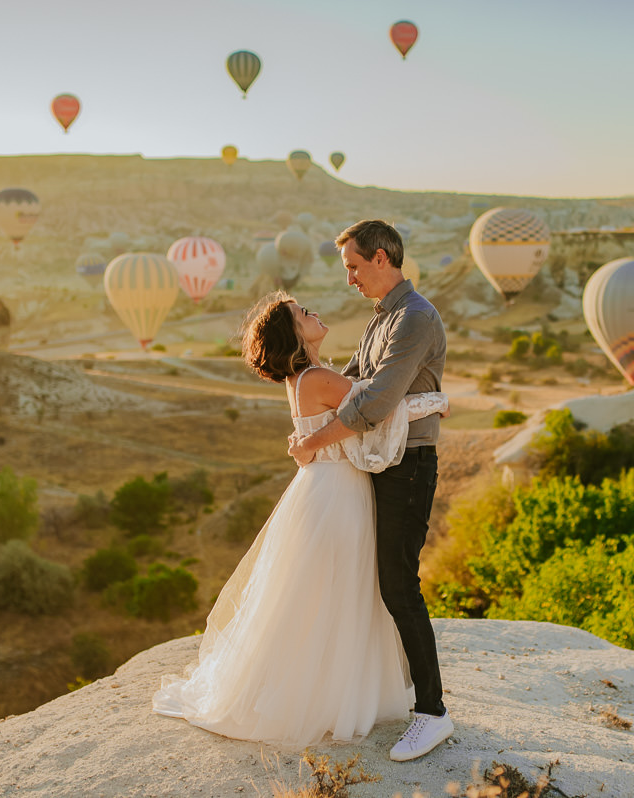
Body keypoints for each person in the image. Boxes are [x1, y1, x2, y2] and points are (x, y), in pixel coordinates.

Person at [152, 291, 448, 750]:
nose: (314, 313)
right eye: (302, 314)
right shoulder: (318, 377)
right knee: (342, 591)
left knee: (320, 595)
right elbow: (379, 410)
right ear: (294, 334)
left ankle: (325, 691)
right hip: (338, 495)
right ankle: (336, 696)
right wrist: (434, 402)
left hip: (324, 490)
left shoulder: (306, 378)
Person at [288, 219, 451, 762]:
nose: (350, 279)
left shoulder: (416, 318)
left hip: (409, 465)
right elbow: (350, 385)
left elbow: (373, 402)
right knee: (379, 585)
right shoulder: (381, 320)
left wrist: (315, 442)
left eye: (354, 267)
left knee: (399, 585)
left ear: (382, 258)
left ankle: (432, 715)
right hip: (380, 464)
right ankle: (402, 695)